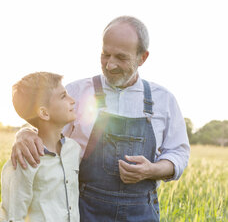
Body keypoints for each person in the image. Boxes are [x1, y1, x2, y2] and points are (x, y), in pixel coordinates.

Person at [10, 16, 190, 221]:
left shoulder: (163, 100)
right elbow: (45, 126)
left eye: (121, 58)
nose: (110, 65)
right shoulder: (76, 92)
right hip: (86, 210)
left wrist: (152, 170)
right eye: (105, 55)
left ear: (142, 57)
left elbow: (178, 153)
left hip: (141, 212)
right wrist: (24, 134)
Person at [0, 72, 81, 222]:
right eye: (63, 96)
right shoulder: (24, 160)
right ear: (44, 112)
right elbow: (13, 216)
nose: (72, 101)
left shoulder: (73, 149)